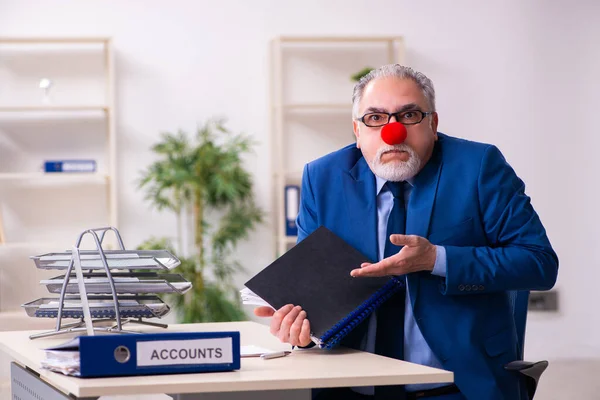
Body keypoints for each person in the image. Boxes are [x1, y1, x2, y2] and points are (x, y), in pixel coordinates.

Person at [254, 64, 558, 400]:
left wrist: (436, 259)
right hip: (349, 389)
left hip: (457, 387)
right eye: (375, 118)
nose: (392, 132)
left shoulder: (478, 166)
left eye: (409, 115)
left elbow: (539, 263)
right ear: (357, 130)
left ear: (434, 123)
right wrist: (301, 327)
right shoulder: (322, 177)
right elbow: (311, 287)